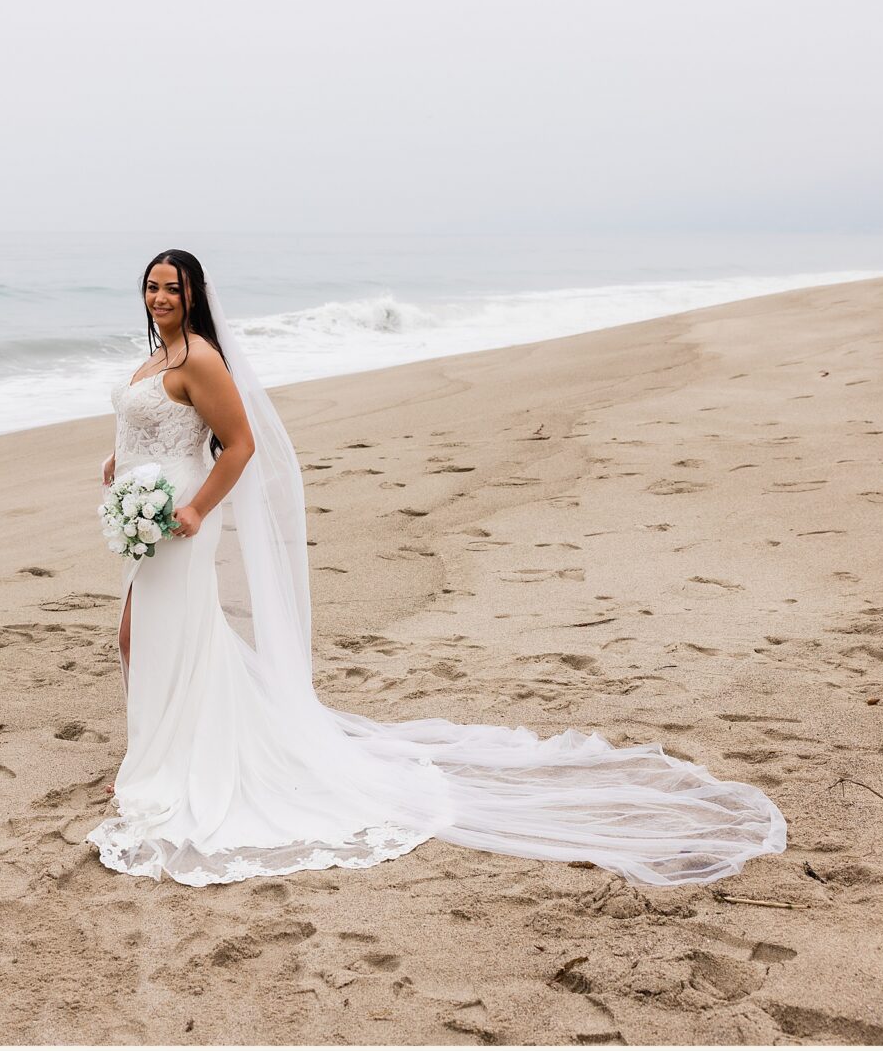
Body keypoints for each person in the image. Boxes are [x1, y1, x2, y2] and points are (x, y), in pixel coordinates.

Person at [87, 249, 787, 888]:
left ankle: (166, 766)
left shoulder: (200, 358)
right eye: (150, 287)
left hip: (178, 516)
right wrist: (123, 464)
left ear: (193, 293)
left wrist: (199, 509)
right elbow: (151, 424)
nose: (158, 297)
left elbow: (237, 445)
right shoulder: (158, 355)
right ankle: (156, 756)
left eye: (170, 287)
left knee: (159, 636)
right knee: (142, 635)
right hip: (144, 508)